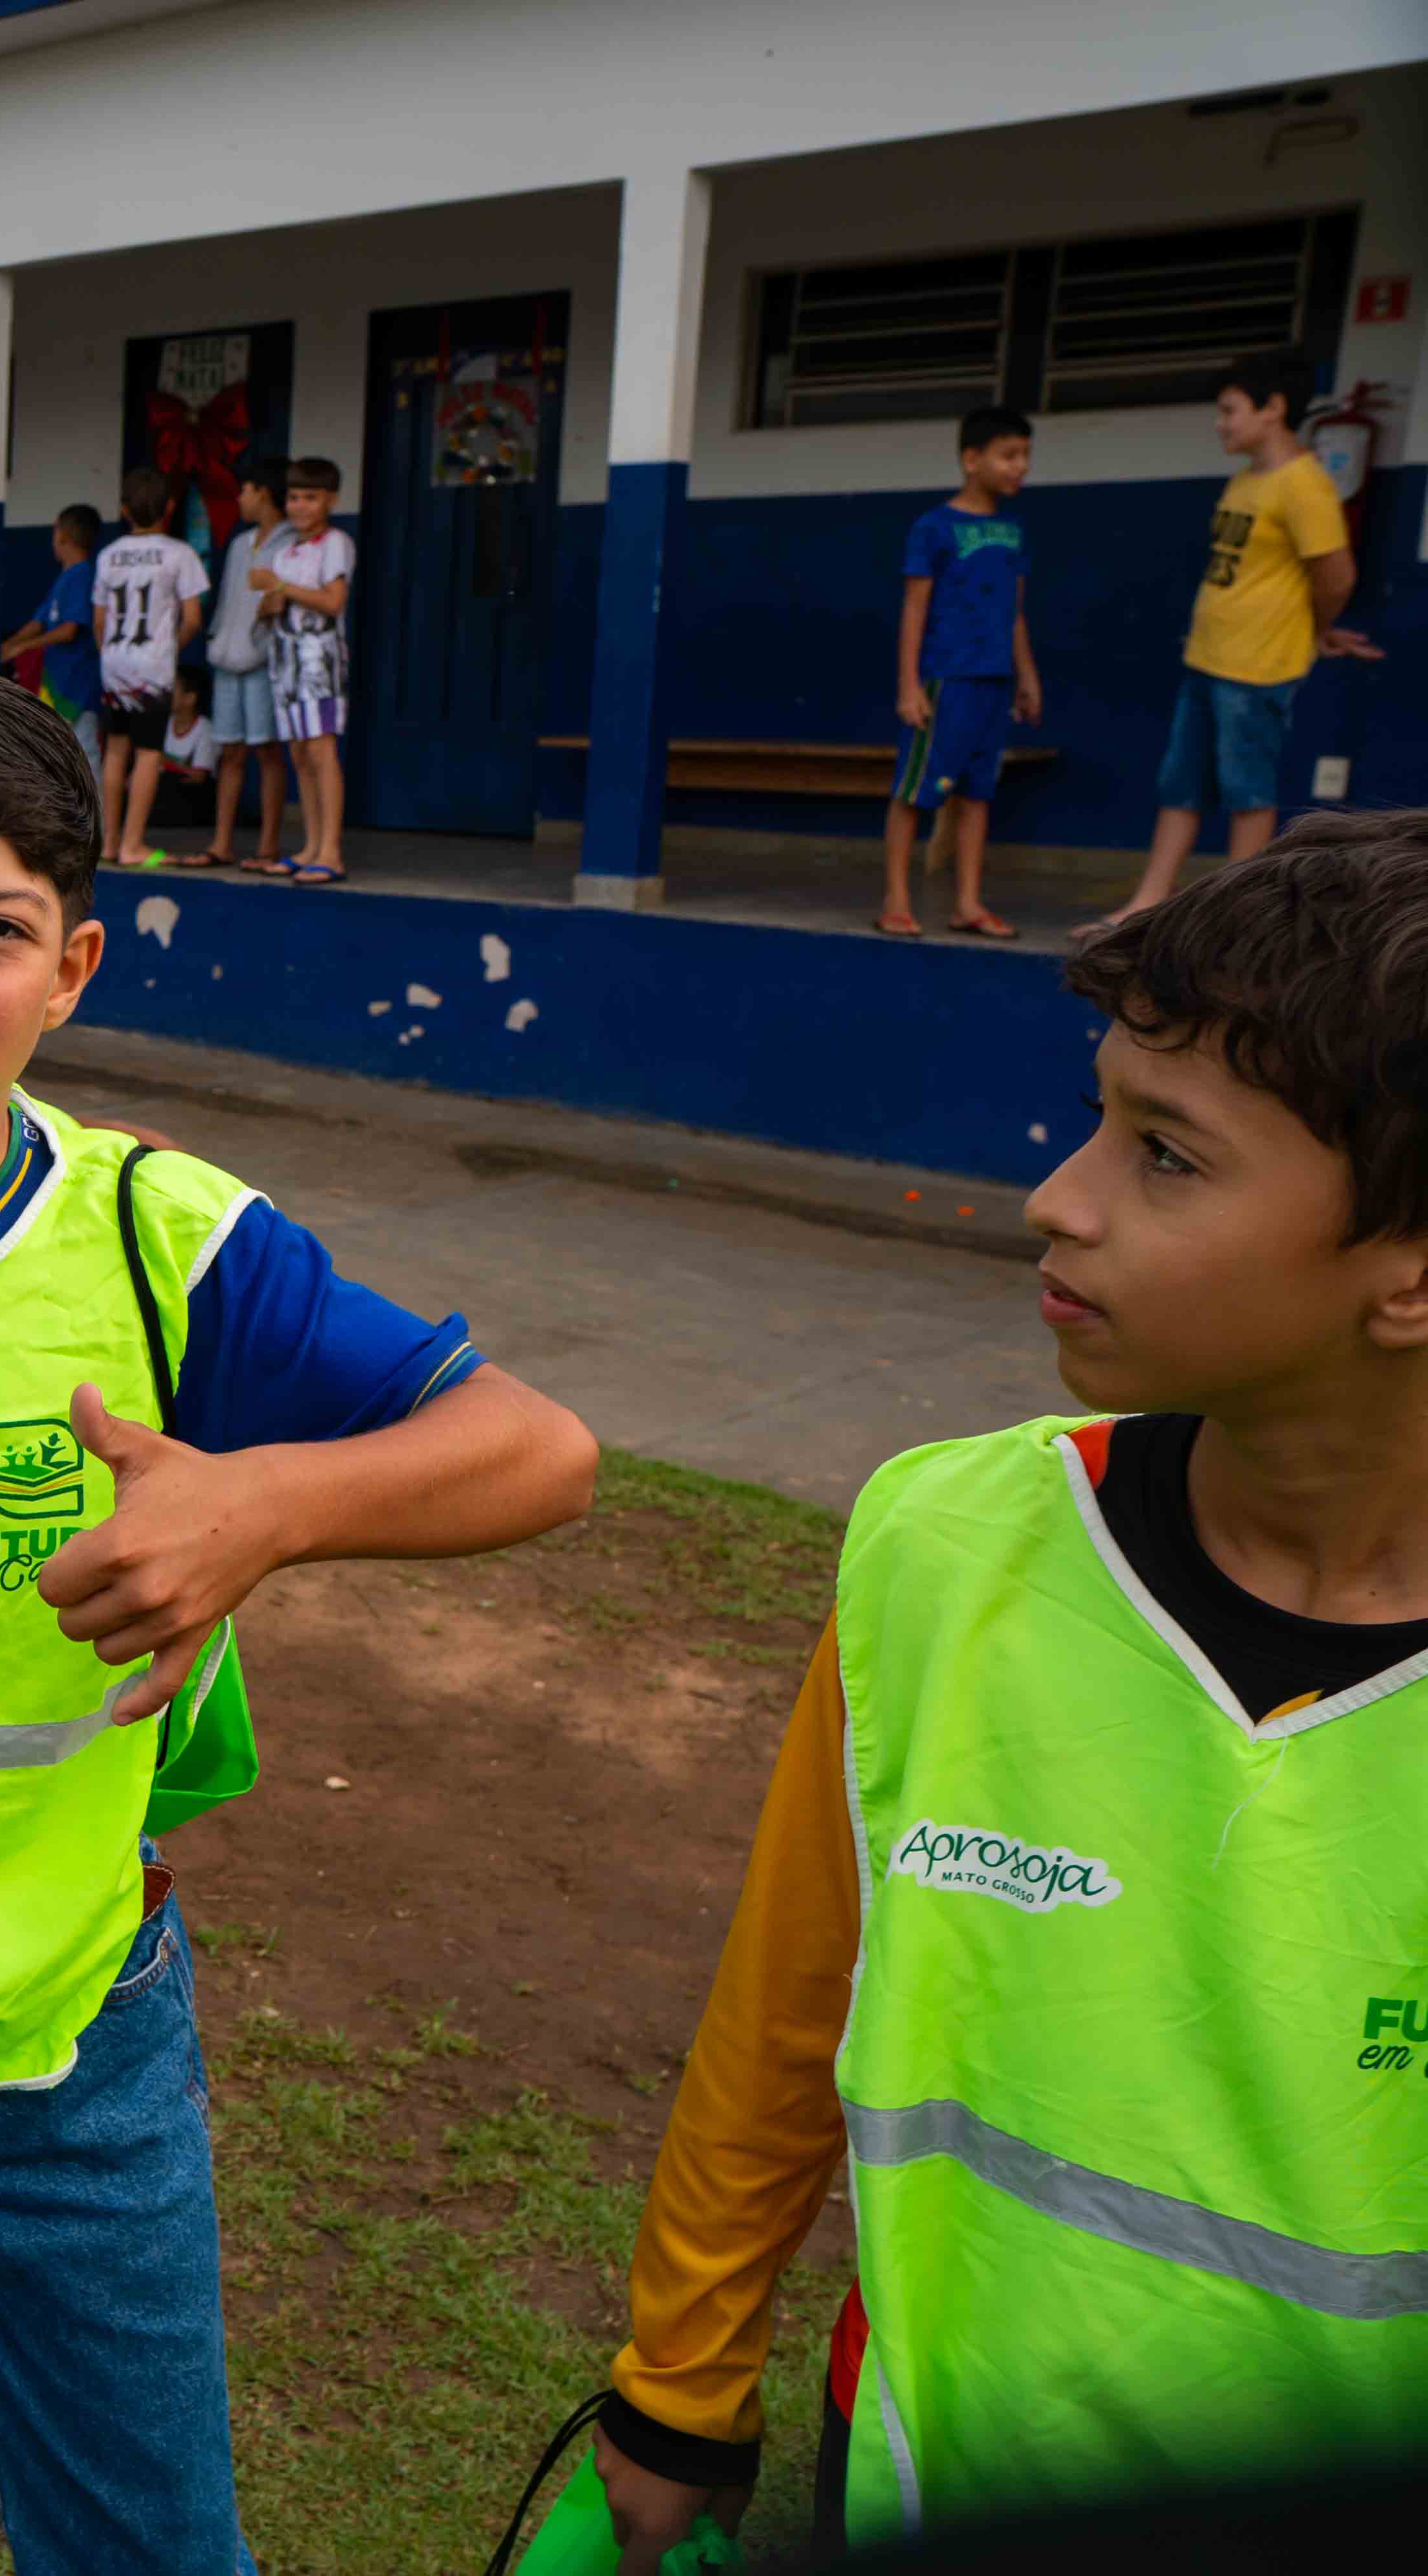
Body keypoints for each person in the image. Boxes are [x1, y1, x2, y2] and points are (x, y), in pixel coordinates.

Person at [0, 667, 596, 2573]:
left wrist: (268, 1501)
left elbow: (536, 1451)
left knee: (141, 2531)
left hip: (70, 2032)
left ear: (68, 969)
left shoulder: (165, 1241)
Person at [584, 813, 1428, 2568]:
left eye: (1169, 1158)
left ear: (1408, 1271)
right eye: (1101, 1114)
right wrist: (683, 2377)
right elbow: (786, 2013)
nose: (1061, 1193)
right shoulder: (945, 1540)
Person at [1094, 350, 1387, 929]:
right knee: (1180, 786)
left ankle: (1236, 922)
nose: (1220, 423)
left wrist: (1315, 630)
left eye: (1229, 410)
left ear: (1273, 408)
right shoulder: (1247, 479)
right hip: (1208, 660)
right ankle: (1147, 902)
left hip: (1257, 670)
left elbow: (1337, 576)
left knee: (1247, 794)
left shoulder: (1305, 486)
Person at [879, 406, 1040, 941]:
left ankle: (968, 903)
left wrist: (1027, 676)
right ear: (972, 460)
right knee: (915, 792)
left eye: (1026, 456)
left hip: (995, 682)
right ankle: (896, 899)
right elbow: (914, 610)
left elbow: (1015, 612)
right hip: (944, 681)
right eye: (1009, 455)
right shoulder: (934, 527)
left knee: (977, 794)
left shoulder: (1013, 530)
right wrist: (909, 685)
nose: (1020, 466)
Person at [89, 466, 212, 869]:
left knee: (116, 750)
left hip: (115, 663)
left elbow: (100, 621)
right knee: (147, 753)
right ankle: (134, 845)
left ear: (125, 510)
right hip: (152, 667)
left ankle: (108, 843)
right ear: (171, 508)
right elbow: (193, 618)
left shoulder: (109, 555)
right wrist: (170, 647)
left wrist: (109, 655)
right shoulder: (180, 554)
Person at [252, 457, 355, 884]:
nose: (299, 506)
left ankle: (330, 852)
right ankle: (311, 846)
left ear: (330, 500)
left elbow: (333, 601)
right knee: (299, 753)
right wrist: (272, 595)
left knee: (321, 750)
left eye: (310, 498)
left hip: (319, 658)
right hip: (286, 661)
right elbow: (271, 606)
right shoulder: (288, 550)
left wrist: (277, 587)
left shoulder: (335, 542)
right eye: (294, 498)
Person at [197, 458, 295, 869]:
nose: (240, 498)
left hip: (265, 663)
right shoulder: (240, 544)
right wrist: (218, 640)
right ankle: (222, 844)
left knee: (268, 752)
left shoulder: (292, 544)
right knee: (230, 753)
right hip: (227, 660)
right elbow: (226, 603)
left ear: (264, 493)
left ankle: (269, 846)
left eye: (245, 490)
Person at [0, 504, 108, 775]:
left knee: (84, 754)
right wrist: (6, 647)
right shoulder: (65, 578)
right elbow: (37, 624)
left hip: (79, 684)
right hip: (56, 685)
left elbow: (69, 630)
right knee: (55, 754)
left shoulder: (83, 575)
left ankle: (97, 818)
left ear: (62, 535)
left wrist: (21, 647)